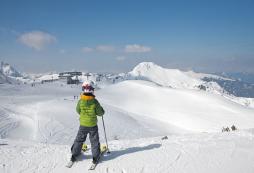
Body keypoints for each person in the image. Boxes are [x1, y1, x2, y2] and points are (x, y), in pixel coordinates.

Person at [70, 81, 105, 164]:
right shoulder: (94, 101)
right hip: (92, 125)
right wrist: (102, 111)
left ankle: (74, 154)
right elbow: (100, 113)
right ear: (92, 90)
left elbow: (78, 110)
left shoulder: (80, 101)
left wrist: (83, 115)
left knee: (79, 140)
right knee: (94, 141)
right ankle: (96, 156)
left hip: (83, 125)